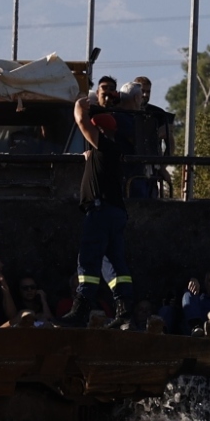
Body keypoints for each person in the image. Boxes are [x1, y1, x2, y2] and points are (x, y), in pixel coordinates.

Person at [60, 93, 133, 328]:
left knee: (89, 259)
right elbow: (97, 162)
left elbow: (81, 121)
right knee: (113, 261)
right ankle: (124, 308)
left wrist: (79, 105)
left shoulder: (104, 148)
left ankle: (81, 310)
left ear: (100, 130)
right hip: (115, 213)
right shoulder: (109, 152)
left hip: (100, 212)